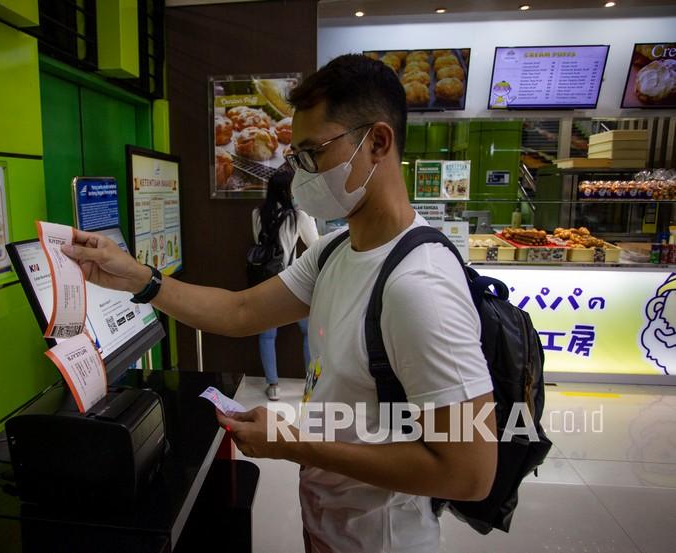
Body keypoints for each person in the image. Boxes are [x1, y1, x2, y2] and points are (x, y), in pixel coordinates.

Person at [63, 54, 497, 553]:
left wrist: (292, 445)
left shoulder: (417, 286)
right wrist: (139, 279)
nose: (300, 174)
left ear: (377, 142)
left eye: (313, 153)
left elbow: (469, 473)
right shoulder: (335, 250)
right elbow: (241, 312)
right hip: (330, 525)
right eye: (296, 157)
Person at [252, 166, 319, 400]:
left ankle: (273, 385)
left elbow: (260, 244)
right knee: (308, 333)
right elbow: (315, 244)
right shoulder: (298, 216)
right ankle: (311, 386)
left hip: (267, 282)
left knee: (267, 335)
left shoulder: (257, 213)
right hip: (293, 281)